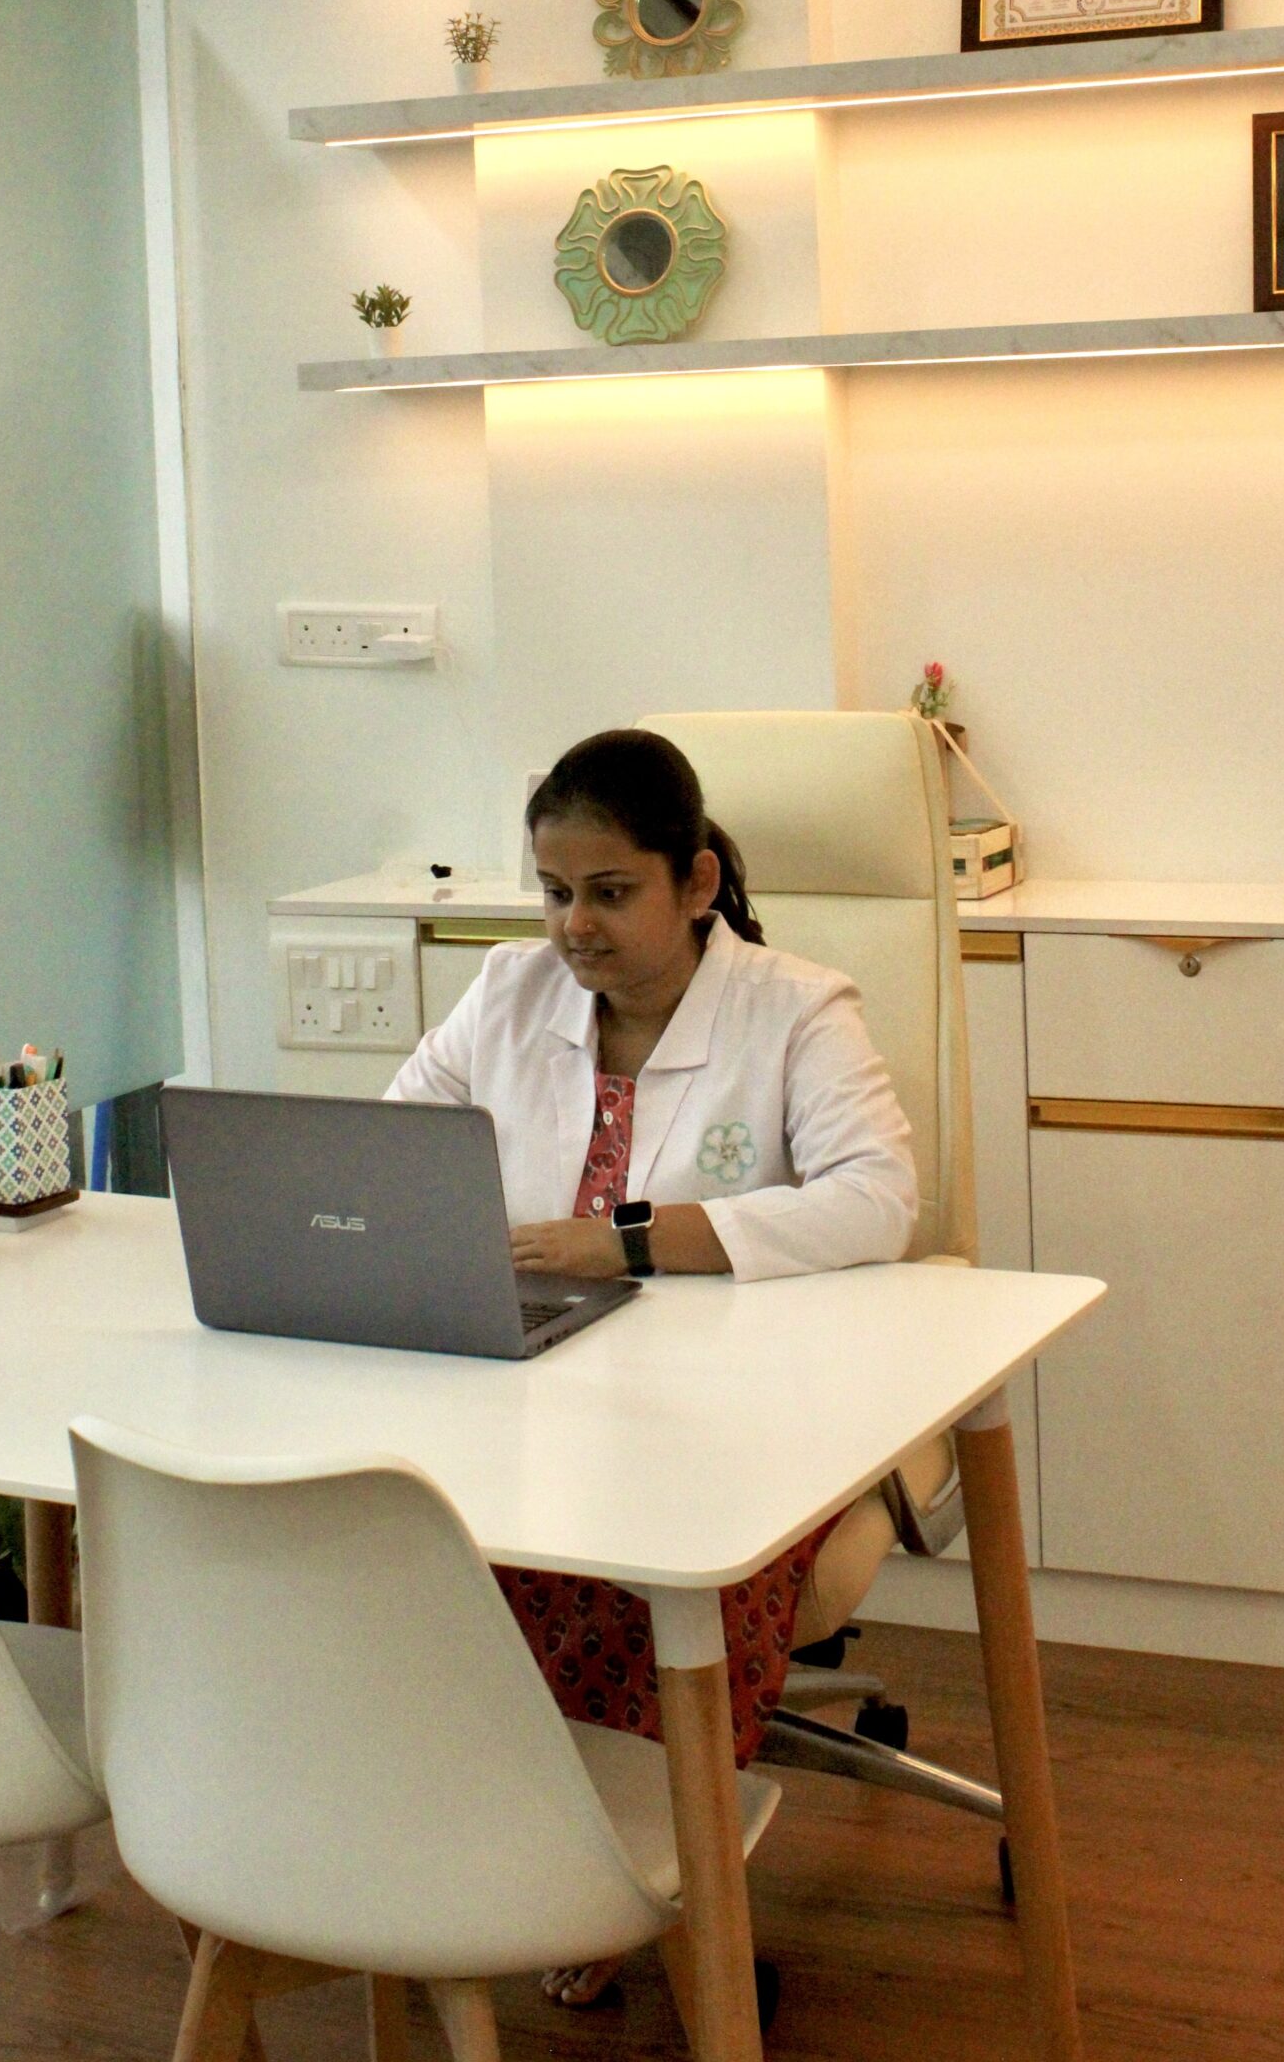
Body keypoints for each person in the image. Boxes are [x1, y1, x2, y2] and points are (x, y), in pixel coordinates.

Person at [386, 727, 918, 2004]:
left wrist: (624, 1239)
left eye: (610, 891)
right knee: (408, 1537)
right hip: (532, 1388)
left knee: (667, 1567)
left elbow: (875, 1200)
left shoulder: (795, 1008)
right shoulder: (508, 993)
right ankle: (479, 1859)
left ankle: (638, 1882)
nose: (574, 926)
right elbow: (393, 1150)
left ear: (694, 881)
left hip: (737, 1413)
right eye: (555, 891)